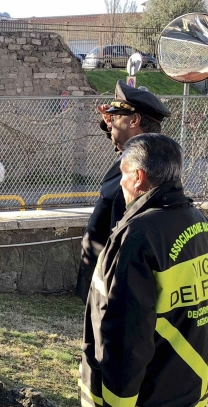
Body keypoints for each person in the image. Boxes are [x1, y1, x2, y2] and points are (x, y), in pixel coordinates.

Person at [79, 134, 208, 407]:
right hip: (183, 391)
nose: (121, 186)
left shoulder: (139, 235)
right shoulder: (200, 225)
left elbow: (127, 329)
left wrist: (117, 402)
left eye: (123, 174)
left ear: (138, 177)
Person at [75, 80, 171, 303]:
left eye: (116, 119)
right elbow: (123, 146)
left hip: (113, 288)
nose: (110, 125)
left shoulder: (139, 173)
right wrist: (111, 125)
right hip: (103, 281)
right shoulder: (143, 159)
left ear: (135, 120)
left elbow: (130, 238)